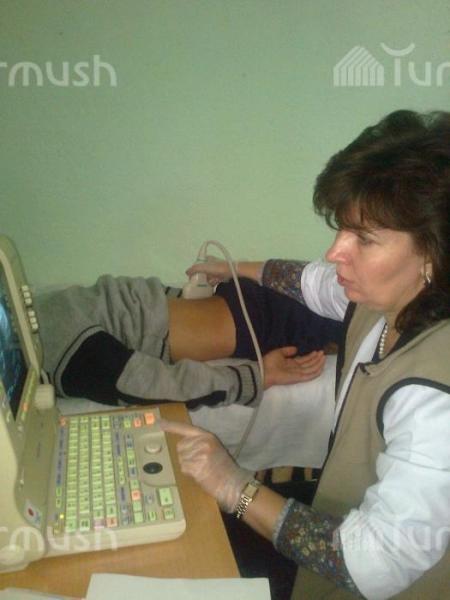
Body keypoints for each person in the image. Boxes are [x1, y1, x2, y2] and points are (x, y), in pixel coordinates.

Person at [162, 109, 450, 599]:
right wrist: (233, 269)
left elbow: (373, 565)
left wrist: (235, 486)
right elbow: (308, 281)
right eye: (342, 229)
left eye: (364, 238)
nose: (336, 252)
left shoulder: (433, 397)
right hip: (344, 510)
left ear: (432, 253)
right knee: (189, 524)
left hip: (376, 577)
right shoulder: (385, 298)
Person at [34, 272, 342, 409]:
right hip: (244, 309)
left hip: (258, 320)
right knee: (348, 300)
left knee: (356, 310)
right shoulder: (40, 312)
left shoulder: (48, 346)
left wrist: (256, 378)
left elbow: (149, 384)